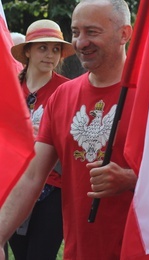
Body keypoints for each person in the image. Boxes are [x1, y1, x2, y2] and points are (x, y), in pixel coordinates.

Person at [0, 0, 149, 260]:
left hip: (140, 253)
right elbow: (32, 178)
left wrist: (131, 179)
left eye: (92, 32)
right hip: (79, 252)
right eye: (76, 32)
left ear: (124, 34)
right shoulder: (62, 97)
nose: (81, 42)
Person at [6, 20, 74, 260]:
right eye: (42, 47)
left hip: (54, 187)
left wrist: (48, 135)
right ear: (27, 51)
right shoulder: (9, 89)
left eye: (56, 49)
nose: (50, 55)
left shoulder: (68, 90)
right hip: (12, 187)